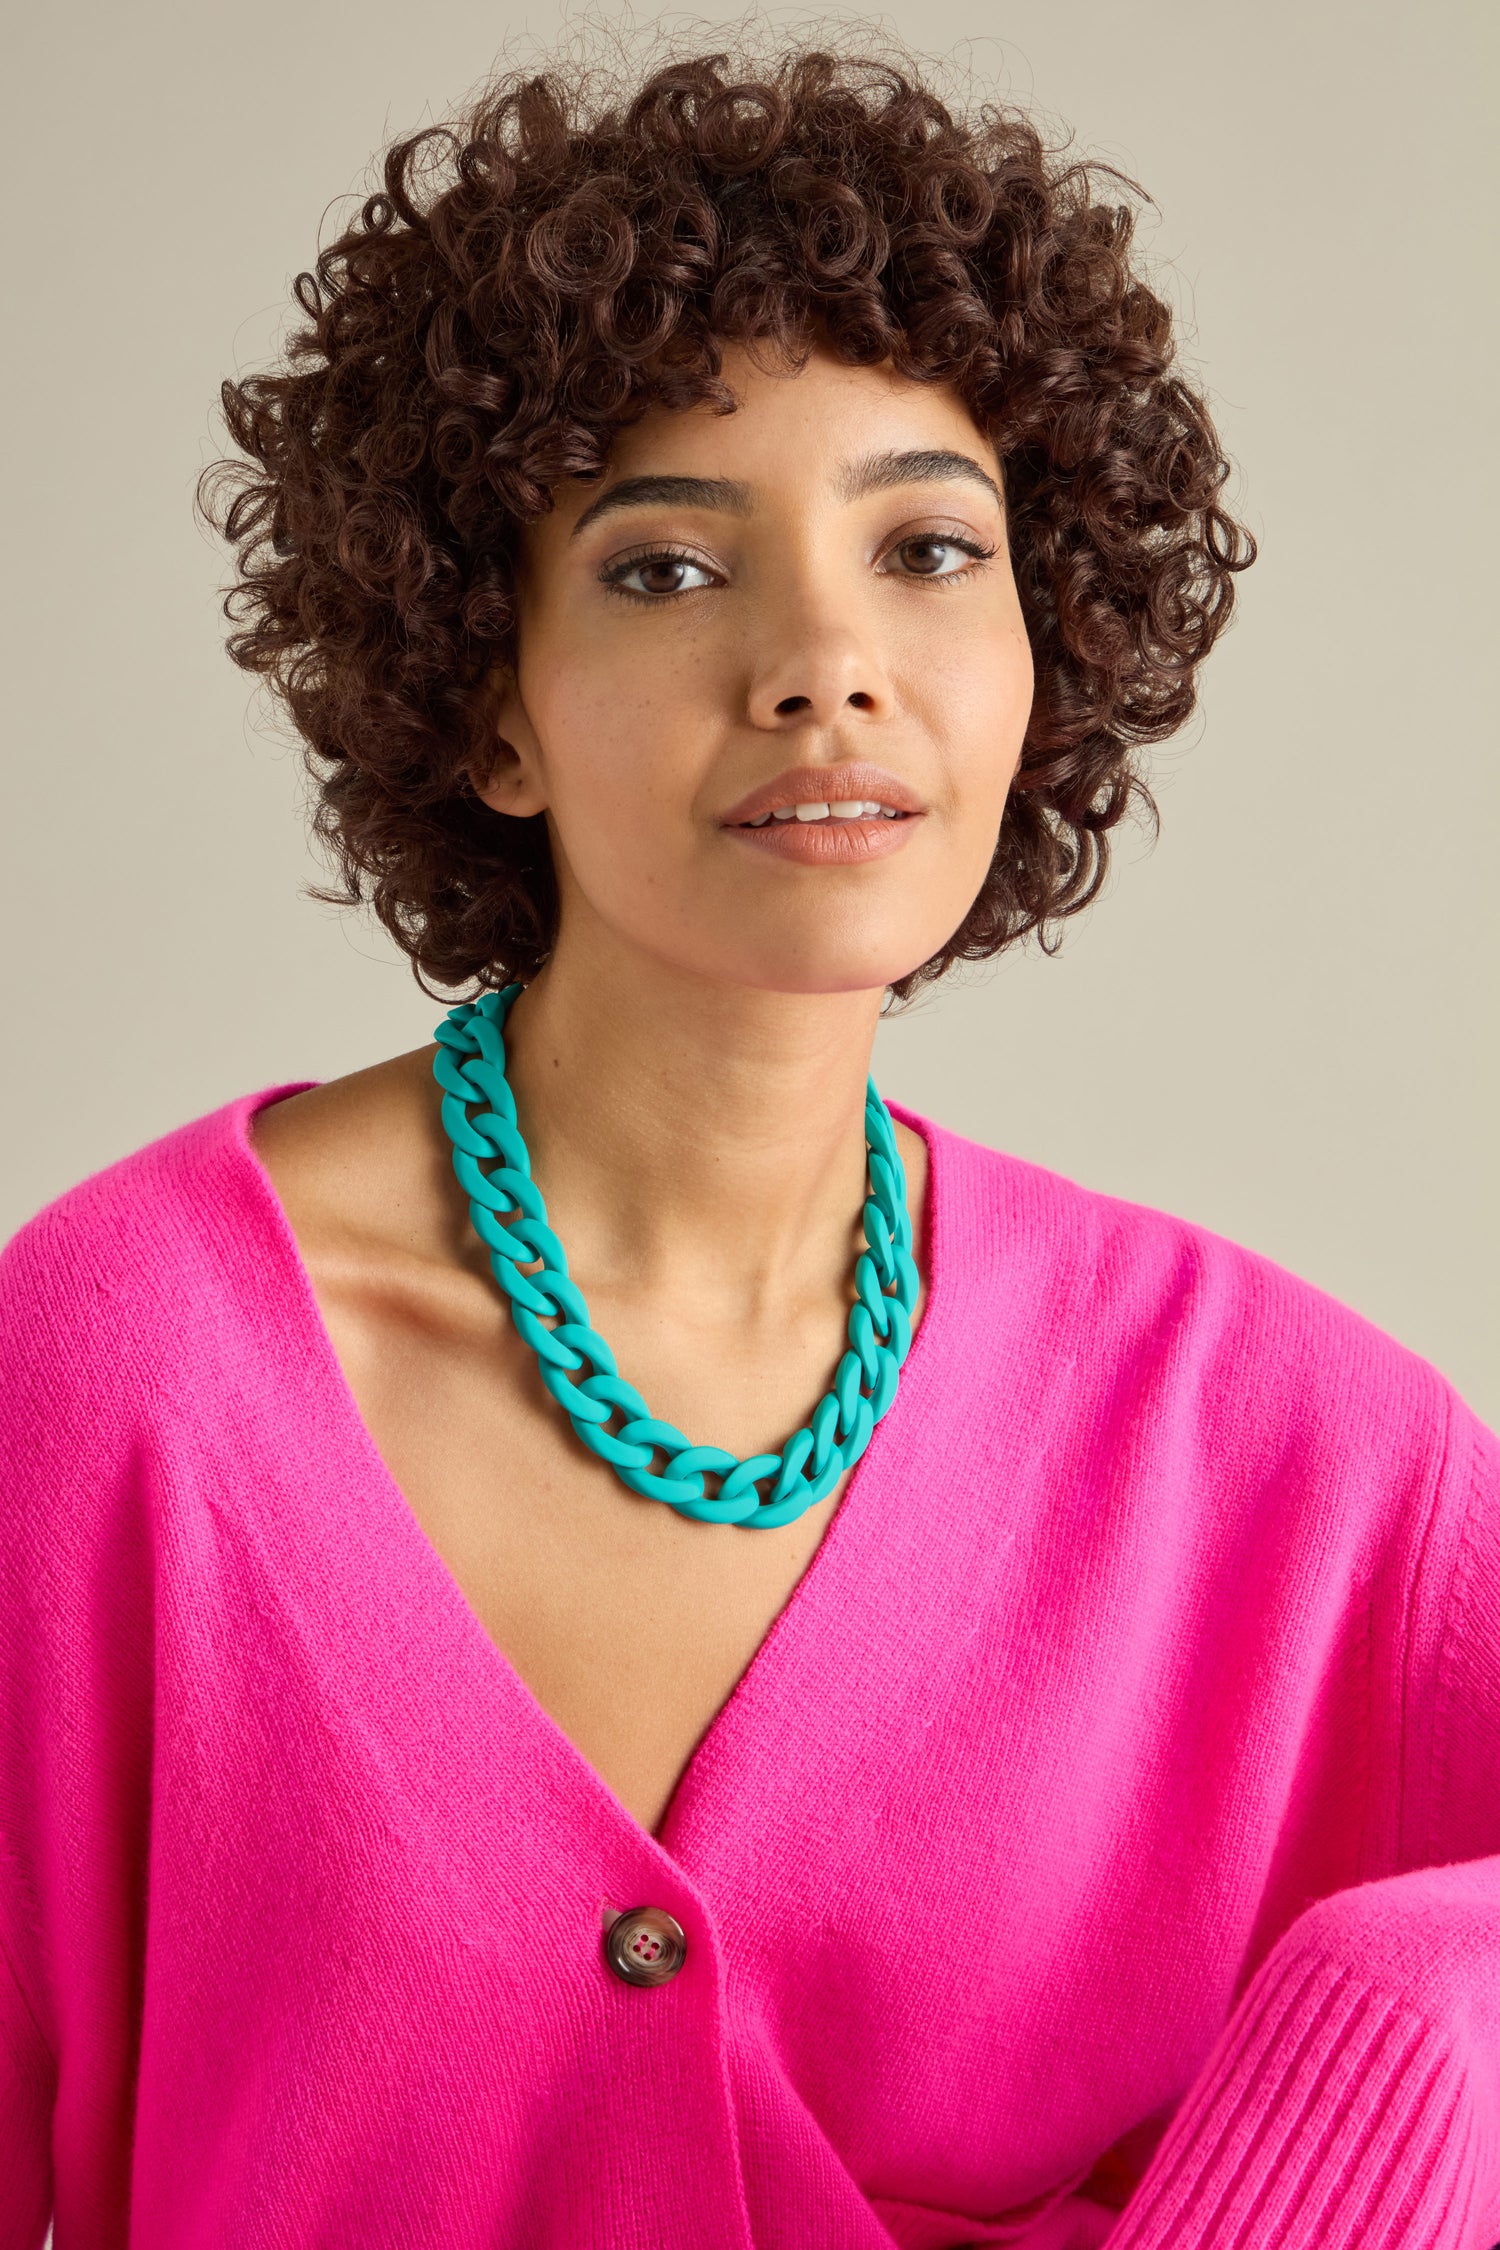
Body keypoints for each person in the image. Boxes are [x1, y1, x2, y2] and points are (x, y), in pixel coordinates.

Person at [1, 34, 1495, 2250]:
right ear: (485, 698)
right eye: (666, 571)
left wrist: (1407, 2036)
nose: (823, 660)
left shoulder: (1292, 1458)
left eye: (927, 547)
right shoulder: (112, 1386)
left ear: (1040, 655)